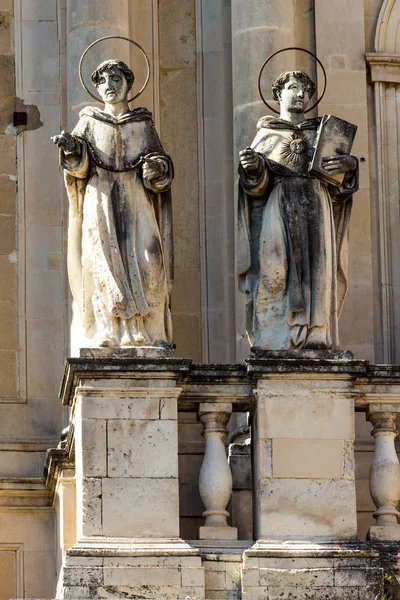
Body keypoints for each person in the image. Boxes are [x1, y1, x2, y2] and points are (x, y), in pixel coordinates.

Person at [52, 59, 174, 347]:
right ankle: (108, 331)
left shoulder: (142, 124)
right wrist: (71, 150)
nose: (111, 86)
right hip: (101, 198)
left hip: (135, 198)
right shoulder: (89, 122)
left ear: (128, 85)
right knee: (101, 264)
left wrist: (156, 169)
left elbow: (160, 163)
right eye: (105, 81)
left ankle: (151, 330)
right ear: (97, 87)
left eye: (117, 80)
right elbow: (78, 167)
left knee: (151, 259)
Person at [237, 70, 358, 350]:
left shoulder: (321, 133)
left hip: (316, 203)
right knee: (273, 268)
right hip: (280, 204)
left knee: (318, 270)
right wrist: (254, 169)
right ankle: (272, 337)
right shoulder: (267, 133)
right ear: (279, 94)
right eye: (294, 87)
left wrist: (348, 167)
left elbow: (339, 189)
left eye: (305, 90)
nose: (301, 94)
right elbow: (254, 189)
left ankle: (316, 334)